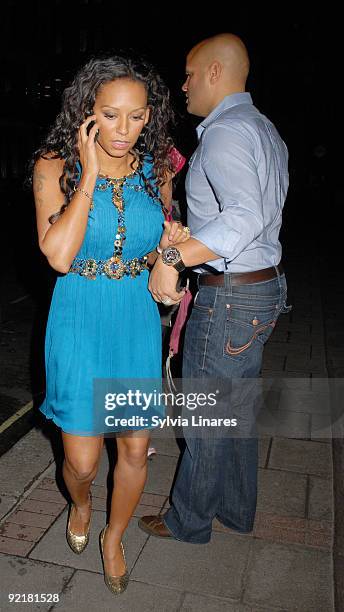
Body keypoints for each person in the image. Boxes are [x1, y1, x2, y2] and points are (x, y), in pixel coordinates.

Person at [31, 54, 189, 595]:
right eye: (111, 115)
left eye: (137, 116)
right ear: (86, 113)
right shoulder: (56, 165)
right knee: (80, 458)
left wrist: (169, 257)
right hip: (78, 315)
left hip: (133, 319)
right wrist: (91, 175)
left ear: (151, 116)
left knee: (134, 447)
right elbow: (57, 254)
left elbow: (158, 247)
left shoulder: (157, 171)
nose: (125, 130)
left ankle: (114, 537)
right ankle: (80, 505)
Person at [139, 33, 290, 543]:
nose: (182, 86)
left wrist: (173, 258)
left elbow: (243, 216)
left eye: (187, 73)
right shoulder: (265, 129)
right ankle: (235, 510)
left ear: (213, 73)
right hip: (262, 287)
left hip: (230, 296)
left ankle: (190, 521)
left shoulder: (225, 132)